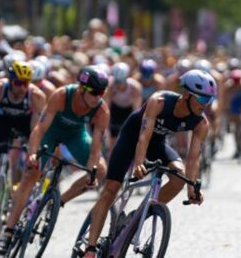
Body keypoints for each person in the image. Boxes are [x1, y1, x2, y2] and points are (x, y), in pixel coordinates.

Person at [82, 70, 215, 258]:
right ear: (186, 94)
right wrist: (138, 163)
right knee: (111, 189)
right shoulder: (159, 101)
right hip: (131, 138)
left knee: (179, 177)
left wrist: (192, 188)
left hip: (157, 143)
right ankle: (90, 247)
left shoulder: (201, 123)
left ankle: (139, 216)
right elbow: (143, 137)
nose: (206, 105)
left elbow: (193, 158)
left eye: (209, 100)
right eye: (202, 99)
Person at [0, 66, 109, 255]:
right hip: (50, 132)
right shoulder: (62, 95)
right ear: (82, 88)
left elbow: (96, 147)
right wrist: (32, 154)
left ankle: (58, 202)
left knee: (101, 169)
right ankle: (8, 231)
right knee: (31, 173)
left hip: (76, 136)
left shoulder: (101, 110)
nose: (98, 97)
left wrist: (92, 171)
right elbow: (40, 128)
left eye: (102, 93)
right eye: (95, 92)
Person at [0, 61, 47, 241]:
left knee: (31, 165)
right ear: (10, 80)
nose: (22, 87)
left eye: (26, 83)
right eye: (18, 83)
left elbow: (36, 128)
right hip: (2, 121)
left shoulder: (35, 95)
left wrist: (32, 151)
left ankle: (20, 202)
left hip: (25, 124)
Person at [105, 62, 142, 153]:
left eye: (121, 82)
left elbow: (136, 111)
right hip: (115, 110)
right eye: (117, 82)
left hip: (128, 111)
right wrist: (106, 126)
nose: (119, 85)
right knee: (112, 140)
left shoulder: (135, 87)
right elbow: (106, 108)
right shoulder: (110, 86)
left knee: (129, 138)